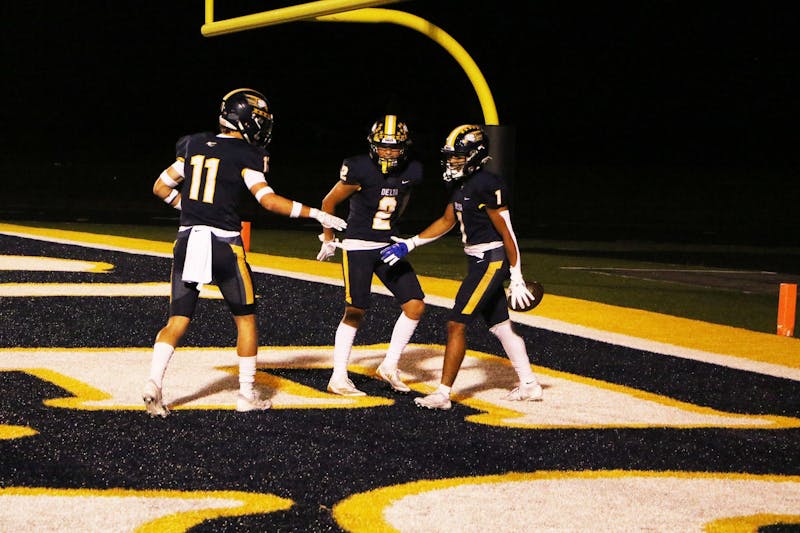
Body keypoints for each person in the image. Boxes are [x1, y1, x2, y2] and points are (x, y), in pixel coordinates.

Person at [142, 88, 347, 417]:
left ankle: (153, 382)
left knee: (177, 320)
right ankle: (246, 394)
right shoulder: (245, 154)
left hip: (187, 240)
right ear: (246, 120)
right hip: (224, 245)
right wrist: (317, 214)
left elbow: (160, 187)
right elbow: (267, 200)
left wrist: (189, 210)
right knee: (246, 321)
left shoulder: (193, 144)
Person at [379, 124, 542, 410]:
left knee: (456, 323)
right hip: (478, 260)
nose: (452, 161)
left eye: (458, 155)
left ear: (476, 155)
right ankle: (529, 384)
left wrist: (516, 274)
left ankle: (443, 394)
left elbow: (507, 232)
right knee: (501, 326)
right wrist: (411, 243)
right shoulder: (460, 184)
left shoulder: (488, 184)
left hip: (491, 259)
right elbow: (447, 220)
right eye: (450, 155)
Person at [316, 114, 425, 396]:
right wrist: (328, 239)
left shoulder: (412, 170)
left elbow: (403, 201)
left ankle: (390, 365)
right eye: (383, 146)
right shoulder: (359, 168)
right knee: (355, 310)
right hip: (359, 246)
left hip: (387, 244)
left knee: (415, 305)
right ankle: (338, 376)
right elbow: (329, 202)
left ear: (405, 147)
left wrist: (394, 230)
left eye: (394, 147)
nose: (388, 152)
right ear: (373, 145)